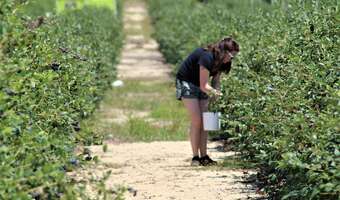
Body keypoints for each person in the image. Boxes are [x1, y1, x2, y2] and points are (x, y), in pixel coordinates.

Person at [176, 37, 239, 166]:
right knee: (197, 120)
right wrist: (216, 93)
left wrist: (217, 95)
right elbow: (204, 86)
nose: (232, 59)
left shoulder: (224, 61)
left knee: (207, 120)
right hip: (187, 82)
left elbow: (215, 81)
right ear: (224, 51)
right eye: (231, 55)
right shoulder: (207, 56)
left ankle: (204, 156)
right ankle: (195, 157)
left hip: (200, 84)